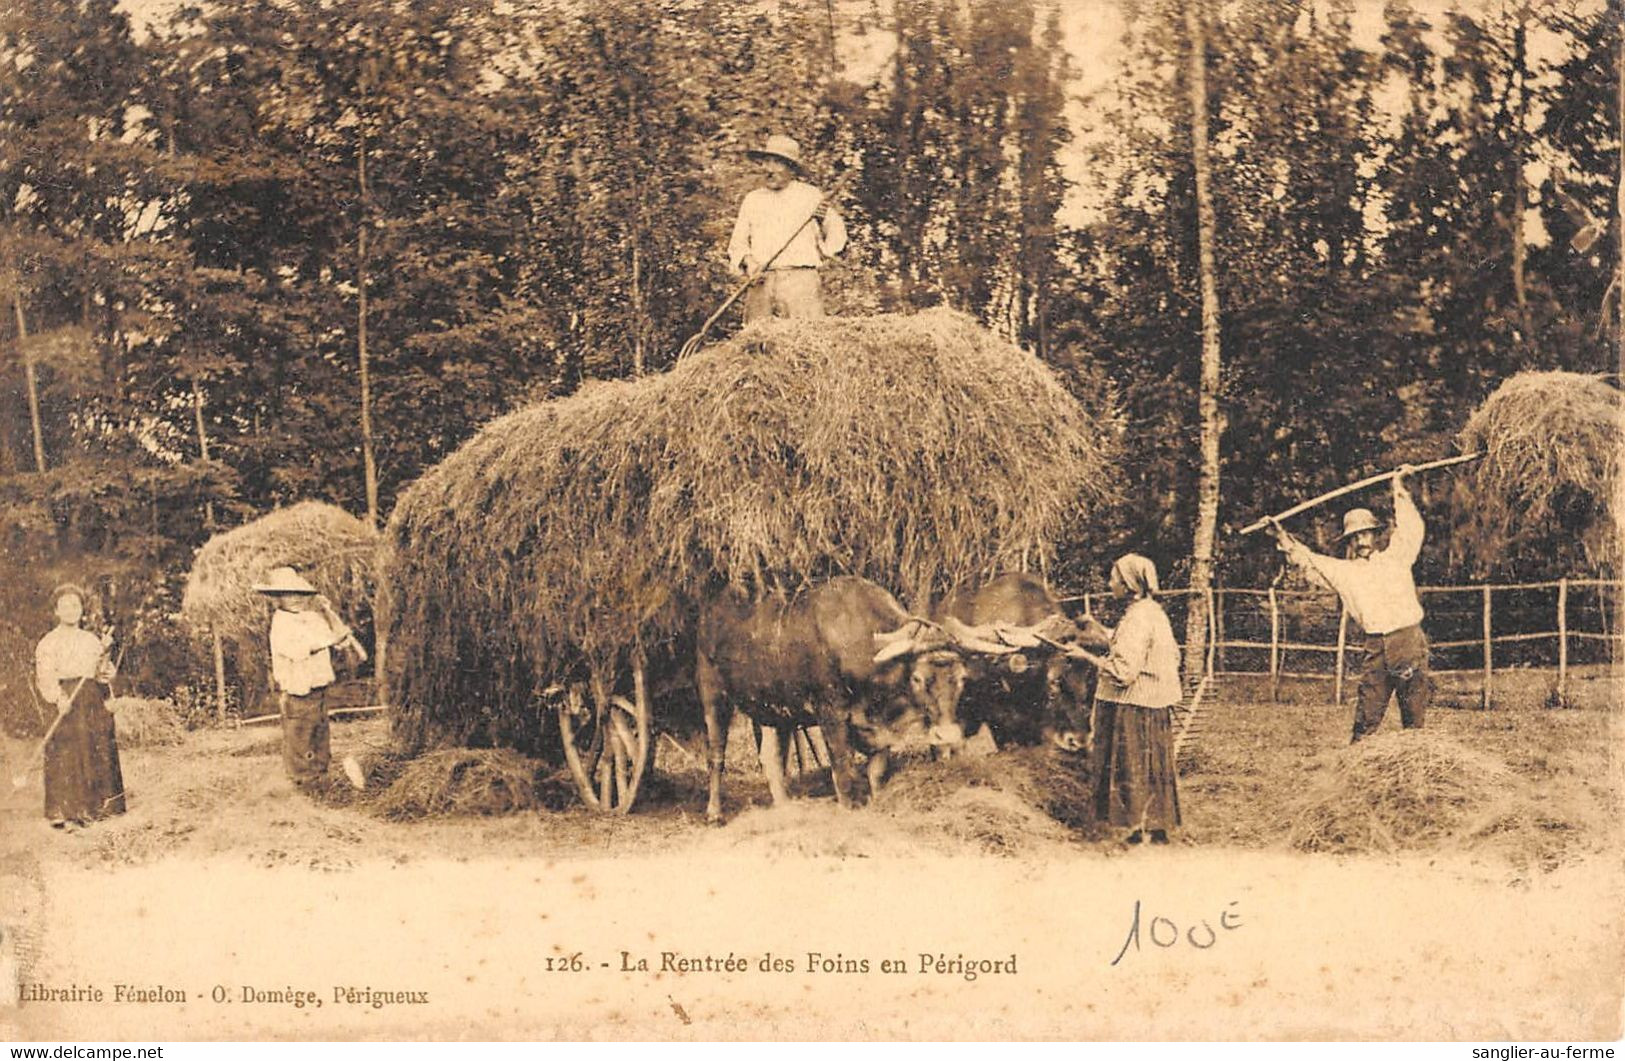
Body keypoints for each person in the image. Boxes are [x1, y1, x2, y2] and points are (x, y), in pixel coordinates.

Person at [1269, 466, 1430, 743]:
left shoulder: (1397, 556)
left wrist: (1399, 488)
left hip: (1408, 641)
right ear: (1350, 542)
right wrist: (1282, 537)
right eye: (1354, 537)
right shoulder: (1346, 573)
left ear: (1375, 535)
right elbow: (1310, 562)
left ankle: (1417, 772)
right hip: (1376, 646)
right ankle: (1356, 771)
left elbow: (1412, 529)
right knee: (1367, 714)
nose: (1360, 540)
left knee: (1414, 715)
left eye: (1365, 534)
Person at [1067, 555, 1183, 845]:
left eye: (1114, 578)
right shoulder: (1151, 612)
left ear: (1129, 584)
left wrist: (1086, 656)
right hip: (1153, 703)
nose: (1110, 584)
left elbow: (1124, 672)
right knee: (1152, 768)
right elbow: (1136, 647)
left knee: (1131, 765)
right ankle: (1155, 828)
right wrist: (1097, 628)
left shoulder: (1137, 618)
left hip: (1133, 705)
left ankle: (1134, 828)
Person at [254, 566, 364, 791]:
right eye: (287, 595)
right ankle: (303, 786)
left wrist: (331, 618)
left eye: (299, 594)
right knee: (300, 739)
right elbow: (299, 649)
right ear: (278, 598)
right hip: (298, 692)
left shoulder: (313, 618)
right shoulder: (281, 623)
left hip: (318, 688)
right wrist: (330, 640)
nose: (294, 599)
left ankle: (321, 782)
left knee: (320, 735)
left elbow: (338, 639)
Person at [726, 134, 847, 322]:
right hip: (762, 284)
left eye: (777, 163)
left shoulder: (810, 196)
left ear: (791, 168)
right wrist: (749, 262)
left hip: (800, 284)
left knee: (803, 341)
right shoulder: (753, 199)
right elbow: (738, 243)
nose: (769, 170)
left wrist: (825, 251)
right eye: (767, 162)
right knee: (757, 344)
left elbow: (836, 229)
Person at [34, 584, 124, 829]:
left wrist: (106, 672)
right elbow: (45, 675)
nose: (71, 610)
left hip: (90, 698)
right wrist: (57, 697)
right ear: (56, 610)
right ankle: (62, 810)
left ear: (82, 610)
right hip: (64, 698)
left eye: (76, 605)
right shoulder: (48, 643)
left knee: (94, 744)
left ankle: (97, 806)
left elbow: (101, 674)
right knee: (66, 749)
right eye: (65, 606)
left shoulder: (91, 640)